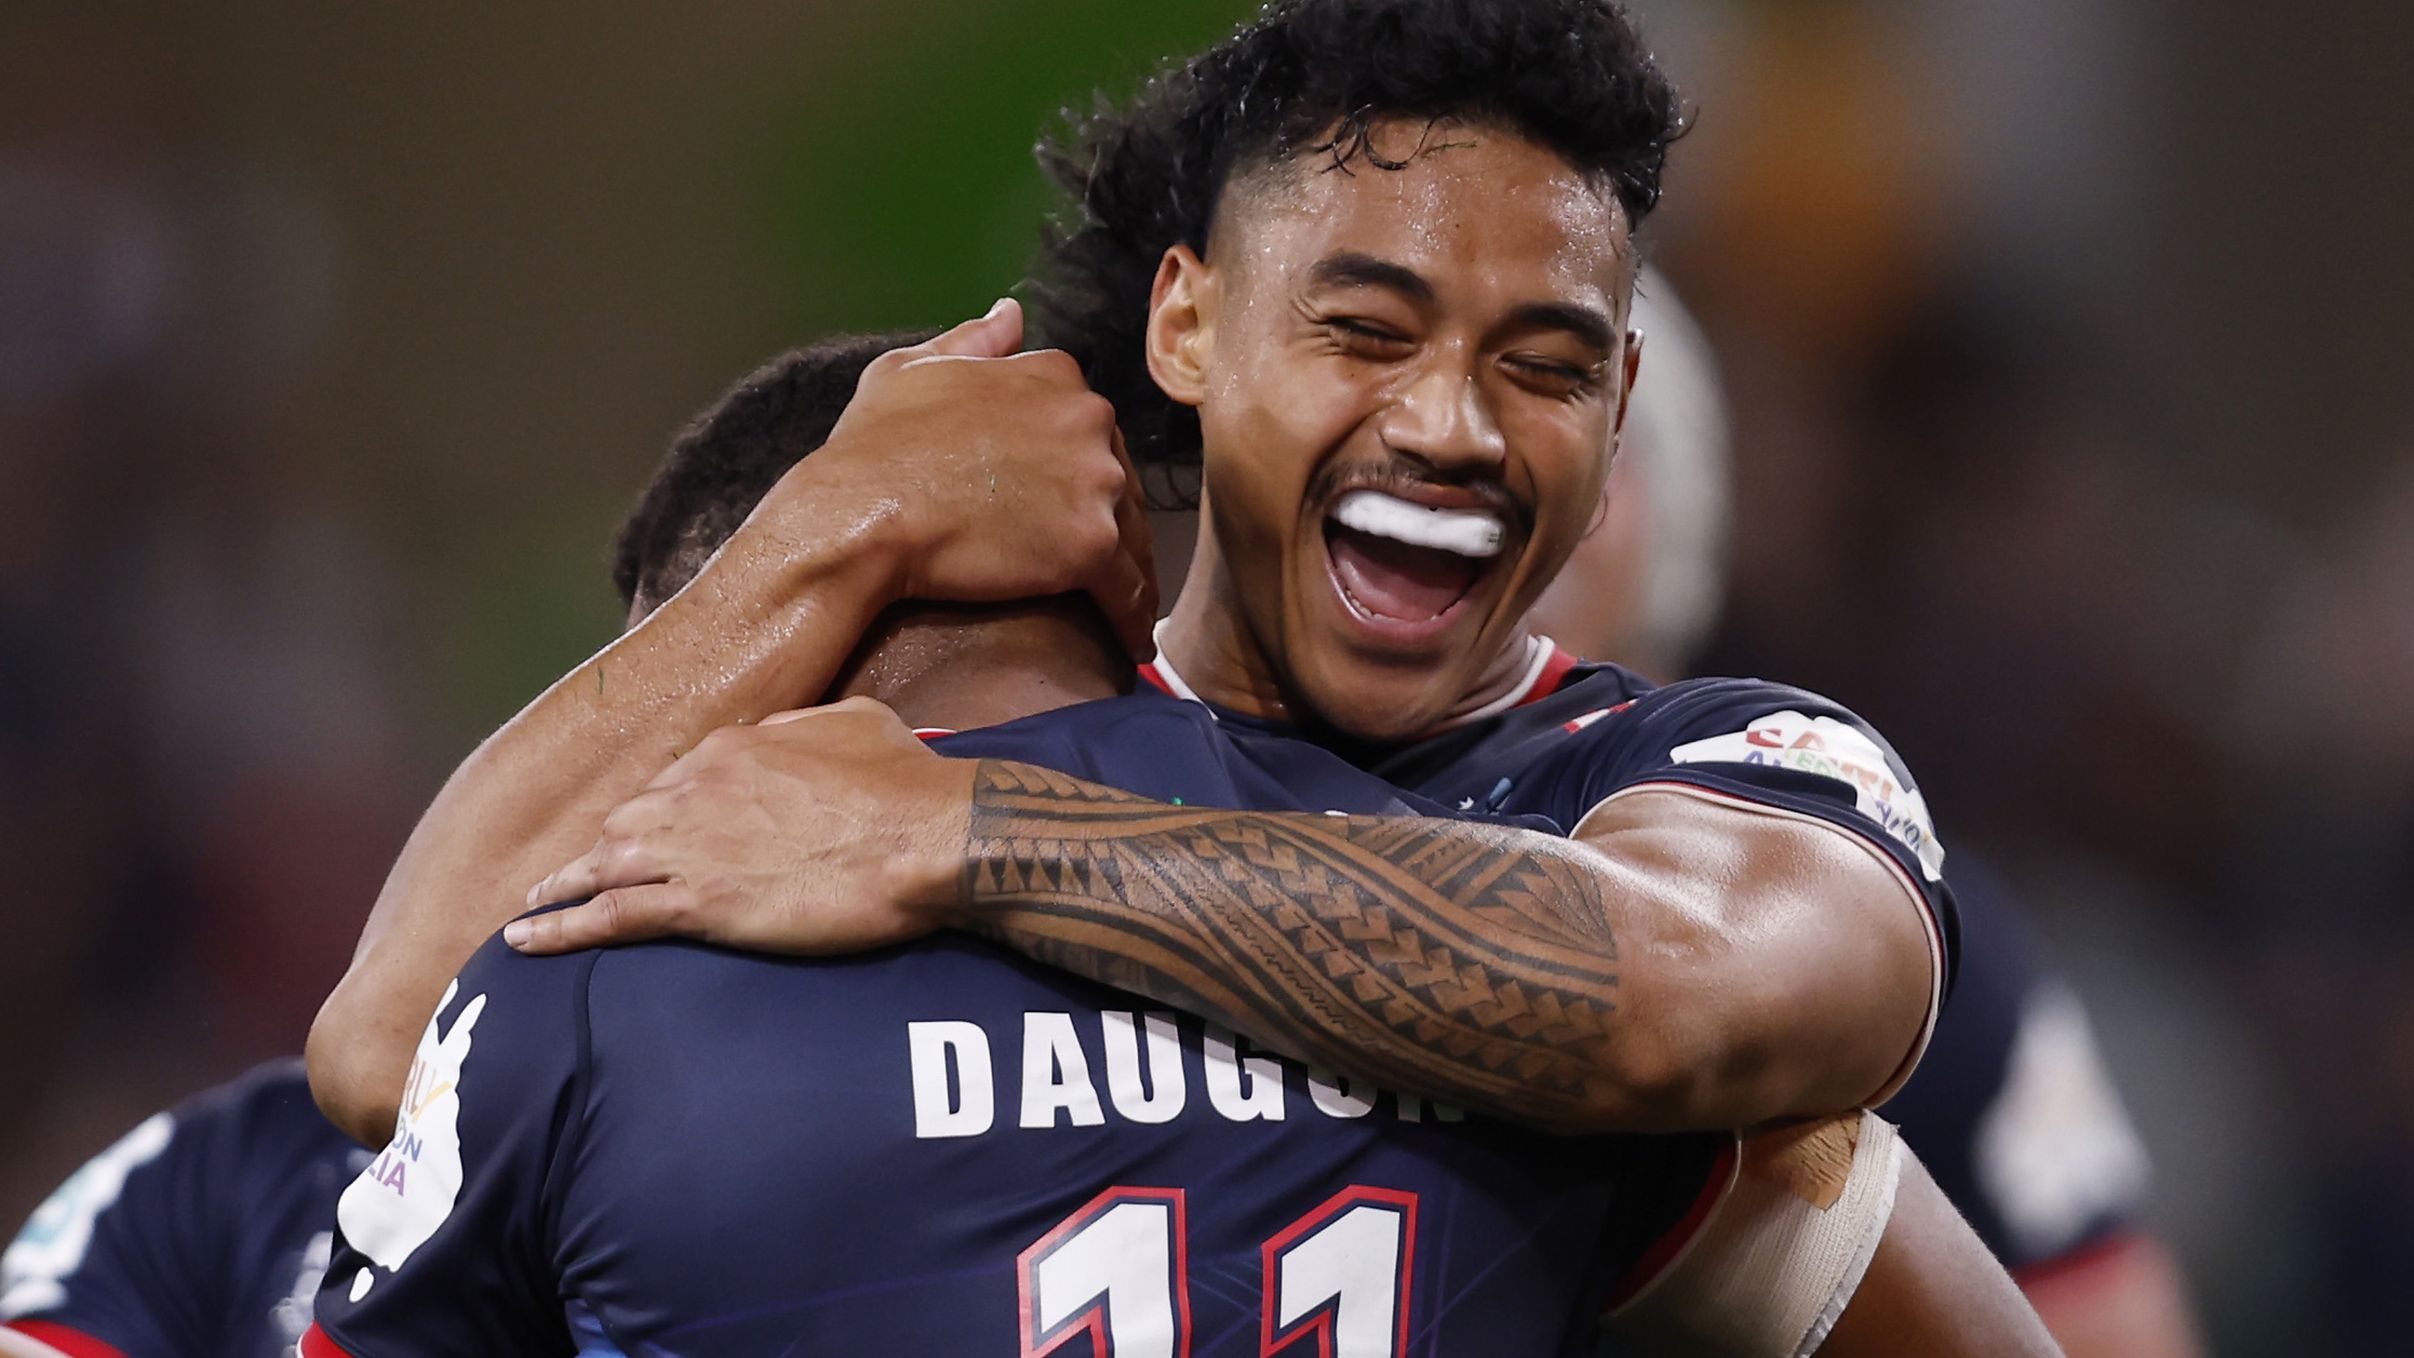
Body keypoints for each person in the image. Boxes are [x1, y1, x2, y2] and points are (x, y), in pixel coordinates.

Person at [301, 330, 2052, 1356]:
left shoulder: (583, 1011)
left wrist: (829, 549)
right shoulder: (1455, 908)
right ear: (1115, 577)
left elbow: (384, 1038)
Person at [1527, 273, 2202, 1358]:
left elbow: (2116, 1332)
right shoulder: (1278, 835)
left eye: (1573, 408)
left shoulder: (1907, 933)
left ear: (1679, 508)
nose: (1503, 465)